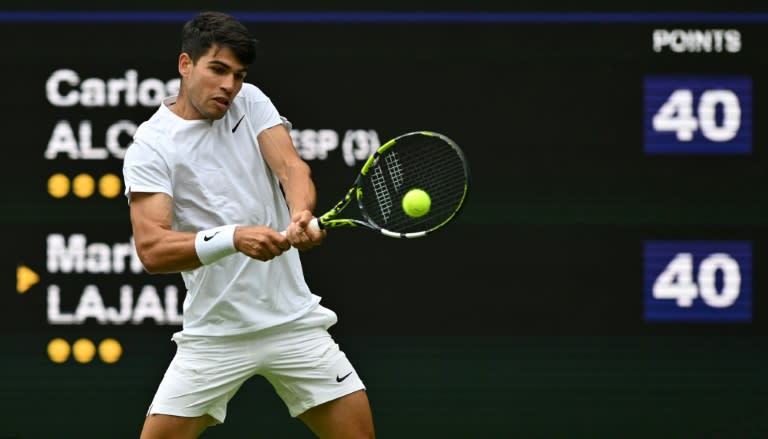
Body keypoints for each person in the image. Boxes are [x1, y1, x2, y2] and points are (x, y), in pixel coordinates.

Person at [122, 11, 375, 439]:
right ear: (186, 65)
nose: (229, 86)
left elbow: (292, 169)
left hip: (293, 322)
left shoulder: (250, 102)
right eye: (217, 70)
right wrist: (234, 238)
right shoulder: (151, 147)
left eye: (238, 75)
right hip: (215, 334)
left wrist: (300, 214)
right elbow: (153, 249)